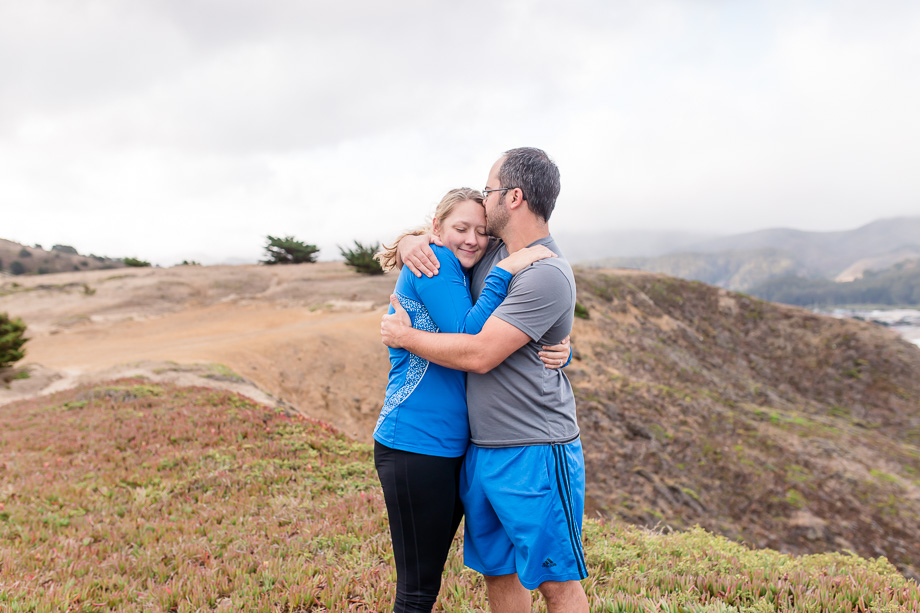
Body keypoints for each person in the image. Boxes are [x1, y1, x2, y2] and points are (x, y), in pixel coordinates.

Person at [381, 148, 588, 612]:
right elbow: (451, 237)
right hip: (482, 449)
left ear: (513, 197)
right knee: (499, 572)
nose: (484, 197)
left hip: (534, 448)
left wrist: (405, 336)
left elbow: (478, 354)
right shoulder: (493, 250)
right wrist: (411, 239)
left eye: (490, 189)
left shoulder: (544, 272)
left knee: (556, 583)